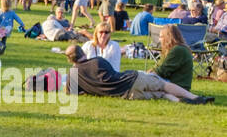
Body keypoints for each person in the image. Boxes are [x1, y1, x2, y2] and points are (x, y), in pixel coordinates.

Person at [63, 43, 212, 102]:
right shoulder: (97, 61)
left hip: (128, 95)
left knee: (161, 94)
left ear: (70, 60)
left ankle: (180, 101)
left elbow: (70, 92)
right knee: (163, 85)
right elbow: (114, 73)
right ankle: (194, 98)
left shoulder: (73, 74)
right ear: (82, 51)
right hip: (132, 79)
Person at [154, 24, 195, 92]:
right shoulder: (172, 49)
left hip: (178, 86)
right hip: (173, 83)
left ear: (168, 37)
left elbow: (162, 71)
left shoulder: (178, 50)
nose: (159, 39)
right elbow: (158, 67)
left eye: (161, 37)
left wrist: (147, 77)